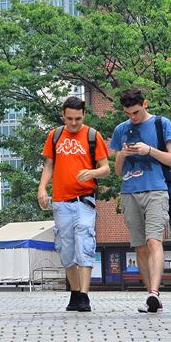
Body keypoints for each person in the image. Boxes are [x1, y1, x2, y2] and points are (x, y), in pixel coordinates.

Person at [110, 88, 171, 314]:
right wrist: (122, 154)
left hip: (156, 190)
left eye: (137, 112)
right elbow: (118, 172)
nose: (133, 117)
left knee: (154, 241)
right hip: (129, 192)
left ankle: (154, 293)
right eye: (129, 113)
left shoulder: (162, 123)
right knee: (140, 247)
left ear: (145, 104)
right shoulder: (121, 129)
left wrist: (149, 150)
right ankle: (151, 295)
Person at [38, 96, 110, 312]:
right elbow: (49, 165)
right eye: (70, 118)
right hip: (61, 201)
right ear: (63, 115)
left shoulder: (92, 136)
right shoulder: (55, 135)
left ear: (84, 115)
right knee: (66, 249)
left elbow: (105, 168)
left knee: (85, 243)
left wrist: (92, 172)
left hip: (84, 201)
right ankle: (75, 292)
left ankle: (85, 296)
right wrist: (42, 188)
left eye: (78, 118)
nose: (74, 123)